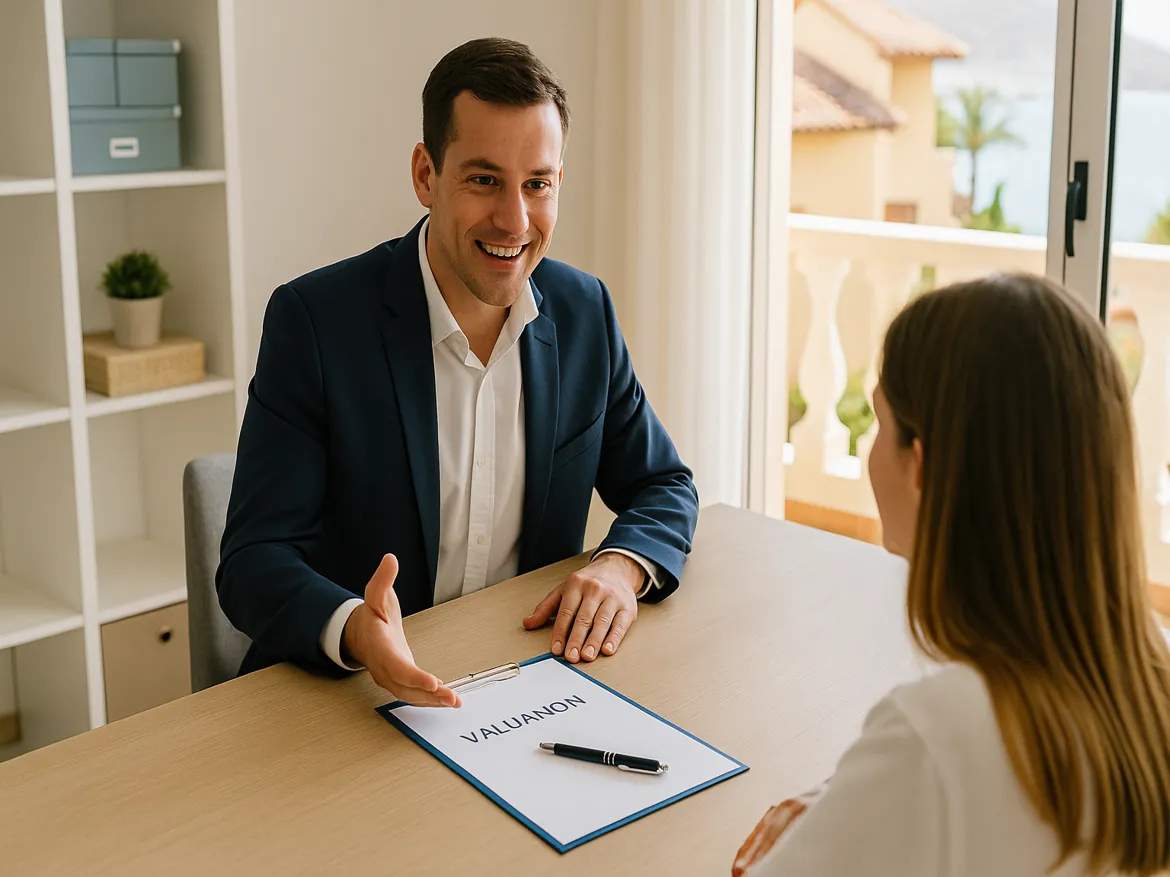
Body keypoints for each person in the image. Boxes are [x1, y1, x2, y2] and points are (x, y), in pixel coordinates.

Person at [216, 37, 698, 708]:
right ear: (425, 174)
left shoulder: (585, 311)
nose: (515, 219)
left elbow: (663, 484)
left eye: (538, 184)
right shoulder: (315, 322)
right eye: (484, 180)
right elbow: (252, 562)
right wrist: (356, 627)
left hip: (518, 685)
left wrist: (621, 567)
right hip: (343, 701)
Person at [732, 273, 1170, 876]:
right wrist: (863, 813)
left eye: (880, 424)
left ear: (922, 466)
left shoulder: (935, 737)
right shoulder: (1153, 685)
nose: (869, 453)